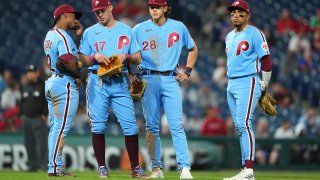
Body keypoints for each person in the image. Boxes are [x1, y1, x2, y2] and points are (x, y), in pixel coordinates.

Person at [79, 0, 147, 178]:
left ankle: (135, 169)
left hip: (120, 82)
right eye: (96, 12)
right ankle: (102, 167)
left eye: (102, 10)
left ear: (110, 7)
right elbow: (84, 60)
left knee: (131, 127)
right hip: (97, 81)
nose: (99, 14)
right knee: (99, 126)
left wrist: (126, 55)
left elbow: (138, 58)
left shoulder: (126, 30)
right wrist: (94, 56)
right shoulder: (90, 32)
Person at [133, 0, 198, 179]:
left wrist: (188, 71)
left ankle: (184, 169)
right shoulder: (138, 29)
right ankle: (156, 169)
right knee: (151, 126)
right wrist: (133, 74)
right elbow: (131, 55)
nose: (153, 9)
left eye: (157, 6)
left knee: (176, 125)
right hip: (148, 78)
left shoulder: (178, 27)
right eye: (151, 7)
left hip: (170, 79)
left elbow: (193, 49)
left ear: (165, 8)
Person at [223, 1, 273, 180]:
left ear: (248, 15)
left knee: (244, 123)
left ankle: (249, 171)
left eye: (240, 12)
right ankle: (245, 169)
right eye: (233, 13)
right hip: (231, 84)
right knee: (239, 126)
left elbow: (266, 61)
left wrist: (264, 84)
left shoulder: (255, 34)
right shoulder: (228, 36)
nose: (236, 15)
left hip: (248, 81)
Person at [43, 4, 83, 177]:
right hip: (63, 85)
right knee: (60, 129)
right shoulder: (63, 36)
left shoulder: (50, 35)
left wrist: (78, 37)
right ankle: (54, 168)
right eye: (73, 16)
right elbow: (68, 61)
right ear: (64, 16)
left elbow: (61, 61)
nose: (75, 19)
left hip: (53, 81)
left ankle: (55, 167)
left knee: (55, 128)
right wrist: (80, 68)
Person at [21, 64, 48, 171]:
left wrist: (44, 114)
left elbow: (48, 101)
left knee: (42, 144)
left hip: (39, 118)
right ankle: (32, 164)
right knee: (29, 143)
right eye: (28, 72)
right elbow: (22, 102)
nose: (30, 74)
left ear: (37, 73)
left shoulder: (43, 85)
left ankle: (43, 165)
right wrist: (21, 114)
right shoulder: (24, 86)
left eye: (32, 72)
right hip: (27, 119)